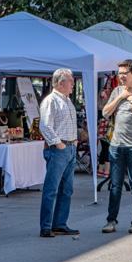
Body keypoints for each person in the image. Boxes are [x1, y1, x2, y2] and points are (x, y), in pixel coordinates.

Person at [101, 59, 132, 234]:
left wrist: (130, 99)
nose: (120, 76)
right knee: (115, 185)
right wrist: (120, 97)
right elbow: (105, 112)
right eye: (119, 73)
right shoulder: (117, 91)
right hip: (117, 145)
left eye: (124, 73)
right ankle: (111, 221)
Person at [38, 68, 80, 238]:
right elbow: (45, 126)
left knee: (66, 189)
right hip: (59, 149)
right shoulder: (51, 101)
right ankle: (46, 226)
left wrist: (74, 141)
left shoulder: (67, 100)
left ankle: (59, 224)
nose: (73, 84)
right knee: (52, 189)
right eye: (71, 81)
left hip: (68, 147)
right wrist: (58, 143)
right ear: (61, 83)